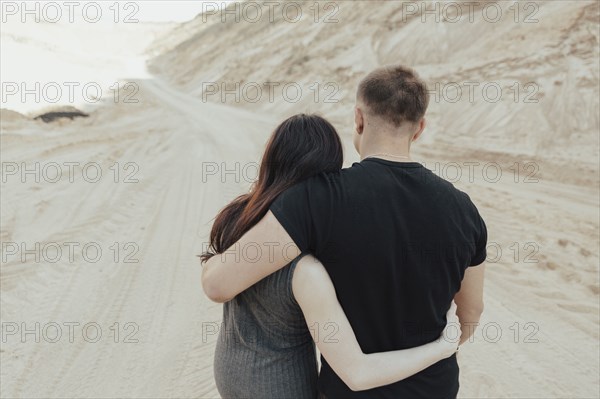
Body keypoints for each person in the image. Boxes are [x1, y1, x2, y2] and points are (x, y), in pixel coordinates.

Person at [203, 65, 487, 398]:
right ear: (419, 128)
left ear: (359, 119)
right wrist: (440, 348)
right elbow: (471, 312)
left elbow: (220, 283)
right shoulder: (464, 210)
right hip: (435, 388)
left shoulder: (318, 198)